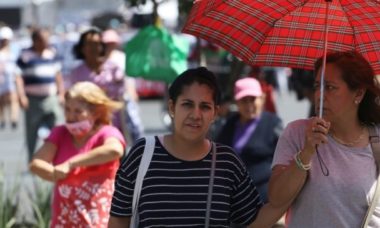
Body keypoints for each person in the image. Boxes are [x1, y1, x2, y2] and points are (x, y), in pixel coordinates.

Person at [108, 67, 286, 228]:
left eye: (205, 106)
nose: (196, 115)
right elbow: (118, 220)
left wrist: (303, 160)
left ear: (215, 114)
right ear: (171, 107)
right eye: (187, 104)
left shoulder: (226, 162)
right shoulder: (143, 154)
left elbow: (255, 219)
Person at [268, 51, 380, 227]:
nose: (319, 95)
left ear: (358, 94)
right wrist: (306, 153)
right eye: (316, 86)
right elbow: (276, 198)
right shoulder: (297, 132)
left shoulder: (377, 141)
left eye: (330, 87)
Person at [29, 81, 126, 227]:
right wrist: (54, 173)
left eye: (78, 111)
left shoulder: (107, 133)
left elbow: (115, 150)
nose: (70, 116)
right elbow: (36, 163)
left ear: (96, 112)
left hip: (98, 218)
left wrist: (71, 164)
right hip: (65, 218)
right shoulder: (60, 133)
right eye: (67, 109)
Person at [216, 77, 283, 203]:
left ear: (262, 99)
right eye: (243, 101)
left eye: (252, 99)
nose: (248, 105)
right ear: (236, 102)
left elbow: (284, 159)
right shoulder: (230, 123)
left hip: (263, 198)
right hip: (232, 197)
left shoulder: (273, 124)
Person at [68, 28, 140, 143]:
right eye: (89, 44)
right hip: (88, 127)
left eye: (97, 44)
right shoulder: (77, 73)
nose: (93, 48)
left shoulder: (113, 68)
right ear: (82, 48)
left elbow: (121, 94)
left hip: (115, 124)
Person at [17, 28, 65, 161]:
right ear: (35, 41)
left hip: (51, 98)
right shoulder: (25, 56)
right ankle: (32, 161)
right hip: (33, 99)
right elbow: (18, 77)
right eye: (44, 40)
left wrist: (61, 93)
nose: (47, 42)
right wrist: (21, 96)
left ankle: (57, 159)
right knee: (32, 131)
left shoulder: (52, 54)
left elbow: (58, 75)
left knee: (57, 129)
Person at [102, 29, 144, 144]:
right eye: (107, 43)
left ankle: (138, 148)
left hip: (124, 96)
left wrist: (133, 92)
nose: (110, 46)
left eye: (112, 43)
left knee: (133, 124)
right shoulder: (102, 60)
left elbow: (128, 77)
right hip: (109, 99)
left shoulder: (121, 57)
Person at [0, 26, 22, 130]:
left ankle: (14, 119)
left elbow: (18, 65)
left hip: (12, 78)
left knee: (14, 99)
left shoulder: (15, 49)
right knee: (1, 101)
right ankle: (2, 119)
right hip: (1, 78)